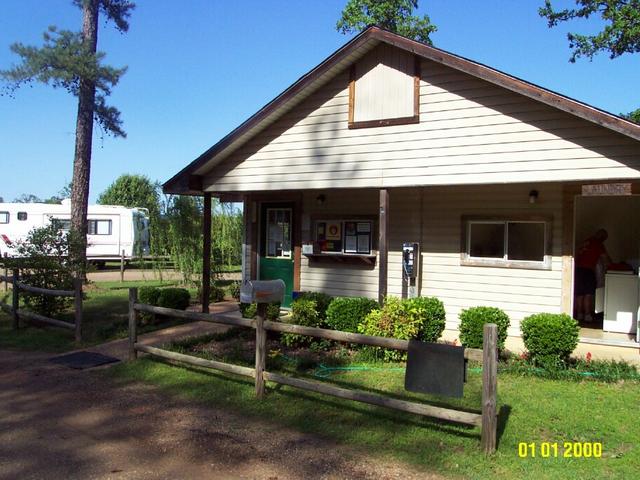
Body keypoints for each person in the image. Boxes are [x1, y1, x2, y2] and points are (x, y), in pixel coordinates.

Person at [574, 229, 611, 323]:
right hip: (588, 270)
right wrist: (612, 266)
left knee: (579, 294)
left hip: (578, 269)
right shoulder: (598, 244)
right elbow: (605, 259)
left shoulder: (587, 241)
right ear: (602, 238)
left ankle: (579, 314)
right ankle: (587, 315)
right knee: (588, 293)